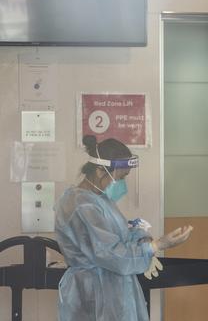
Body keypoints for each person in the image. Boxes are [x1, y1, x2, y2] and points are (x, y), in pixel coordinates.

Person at [55, 135, 193, 320]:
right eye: (121, 177)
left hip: (114, 291)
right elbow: (109, 253)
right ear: (99, 171)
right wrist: (156, 246)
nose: (122, 183)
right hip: (95, 295)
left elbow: (122, 236)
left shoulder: (101, 200)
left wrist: (143, 238)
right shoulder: (81, 205)